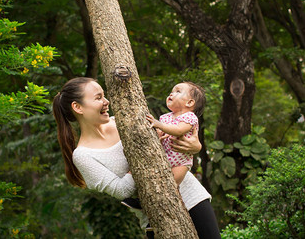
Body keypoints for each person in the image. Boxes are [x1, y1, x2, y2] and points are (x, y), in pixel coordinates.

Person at [52, 77, 221, 239]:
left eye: (104, 96)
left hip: (192, 196)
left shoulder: (122, 120)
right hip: (157, 217)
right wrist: (141, 163)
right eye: (98, 98)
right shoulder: (83, 155)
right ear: (78, 107)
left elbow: (174, 139)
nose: (106, 101)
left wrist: (195, 147)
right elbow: (121, 190)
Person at [146, 82, 205, 185]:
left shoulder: (189, 117)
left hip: (181, 162)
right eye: (171, 92)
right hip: (163, 156)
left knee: (170, 185)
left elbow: (179, 130)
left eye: (178, 91)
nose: (171, 94)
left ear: (190, 103)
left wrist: (159, 125)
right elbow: (160, 133)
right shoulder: (165, 117)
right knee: (152, 181)